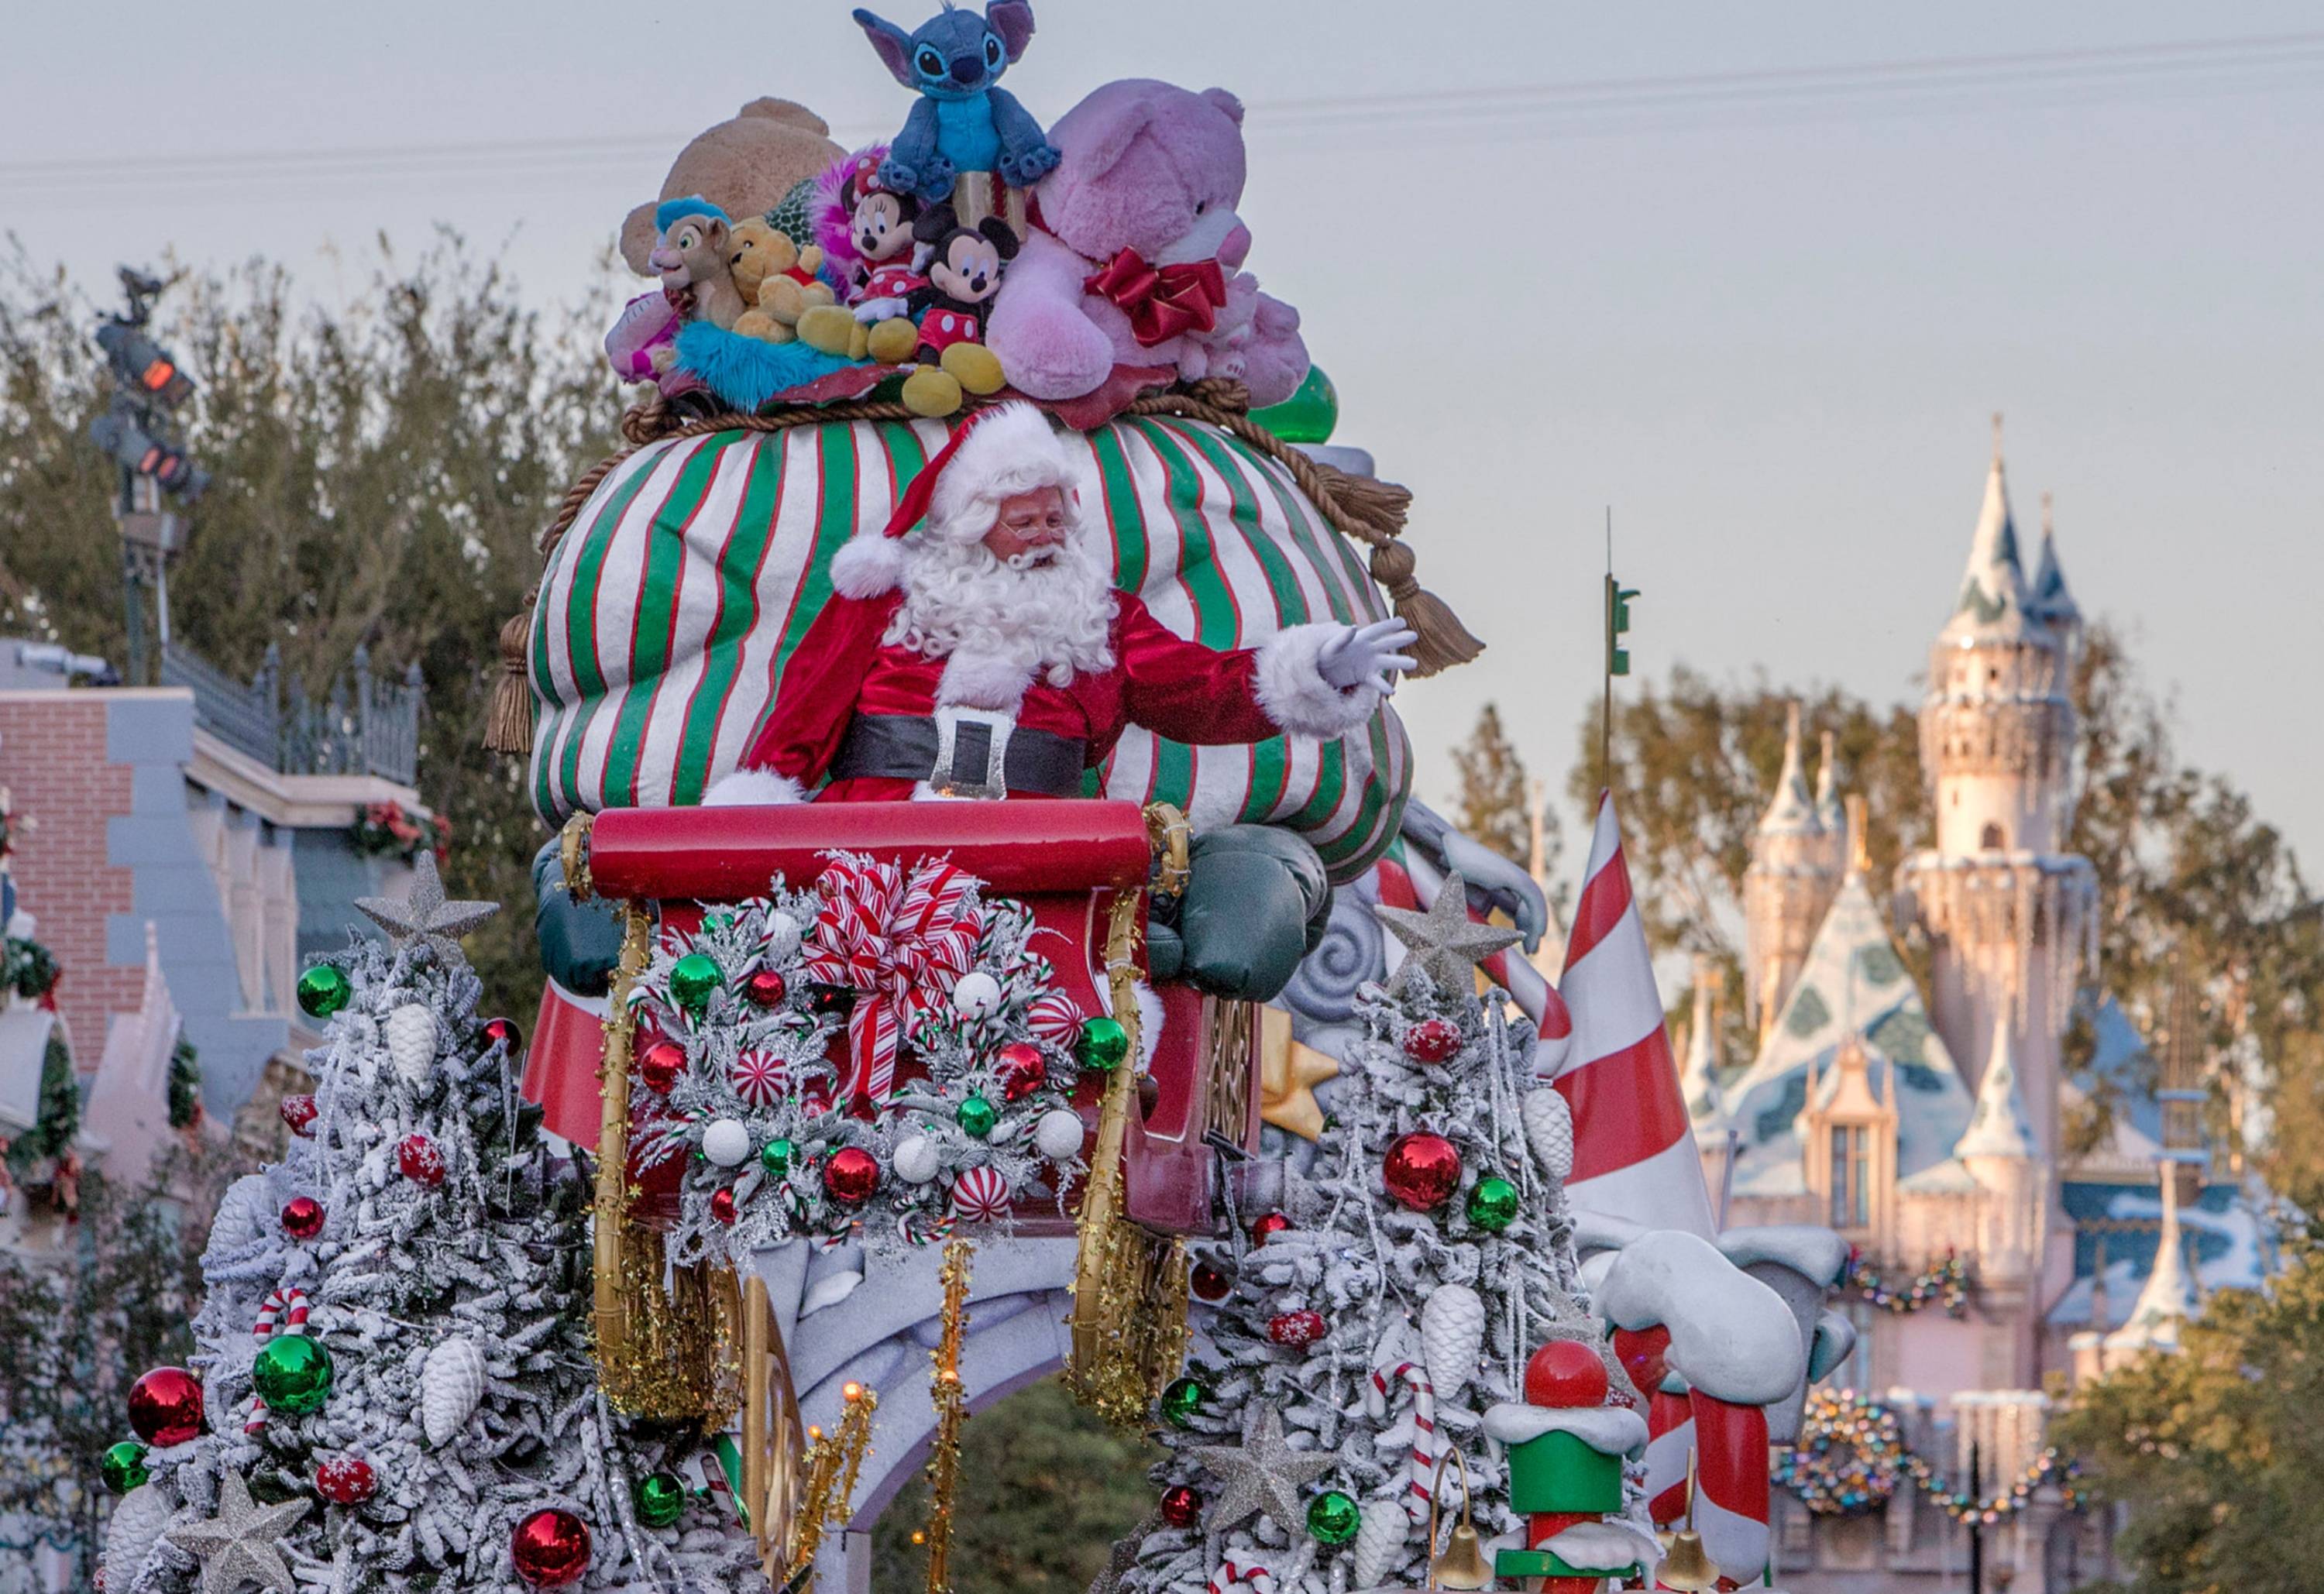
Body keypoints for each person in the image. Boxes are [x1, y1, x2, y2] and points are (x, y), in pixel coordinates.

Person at [705, 401, 1414, 804]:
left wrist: (1314, 669)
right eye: (1026, 523)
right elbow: (806, 712)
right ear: (975, 526)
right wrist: (757, 813)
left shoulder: (1102, 616)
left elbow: (1200, 688)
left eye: (1056, 520)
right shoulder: (887, 596)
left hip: (1040, 846)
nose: (1047, 537)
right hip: (872, 840)